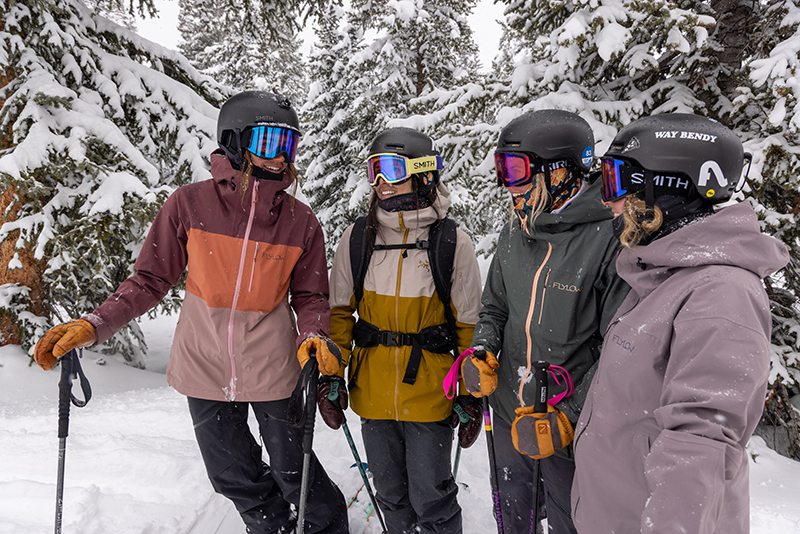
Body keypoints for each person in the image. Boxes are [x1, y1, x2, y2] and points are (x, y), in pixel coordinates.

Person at [33, 90, 349, 534]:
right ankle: (272, 526)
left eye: (289, 144)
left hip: (273, 367)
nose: (280, 157)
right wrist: (94, 325)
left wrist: (313, 336)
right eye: (268, 142)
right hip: (204, 364)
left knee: (294, 468)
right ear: (235, 142)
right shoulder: (189, 205)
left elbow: (312, 298)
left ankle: (327, 528)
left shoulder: (300, 220)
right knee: (231, 473)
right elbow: (149, 280)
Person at [570, 113, 790, 534]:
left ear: (664, 187)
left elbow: (700, 449)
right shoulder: (661, 276)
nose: (606, 199)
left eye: (616, 180)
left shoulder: (721, 293)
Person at [461, 110, 630, 534]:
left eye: (517, 171)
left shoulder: (609, 240)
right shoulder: (515, 231)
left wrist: (568, 418)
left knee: (569, 522)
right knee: (514, 517)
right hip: (508, 410)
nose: (508, 185)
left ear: (560, 172)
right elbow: (495, 309)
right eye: (502, 170)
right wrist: (483, 348)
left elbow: (621, 350)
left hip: (565, 426)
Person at [325, 127, 483, 534]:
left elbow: (467, 326)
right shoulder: (359, 238)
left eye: (391, 169)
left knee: (431, 494)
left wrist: (468, 392)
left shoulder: (451, 241)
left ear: (423, 173)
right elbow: (340, 314)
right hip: (372, 391)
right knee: (390, 492)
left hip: (430, 392)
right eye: (373, 170)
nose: (379, 182)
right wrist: (332, 375)